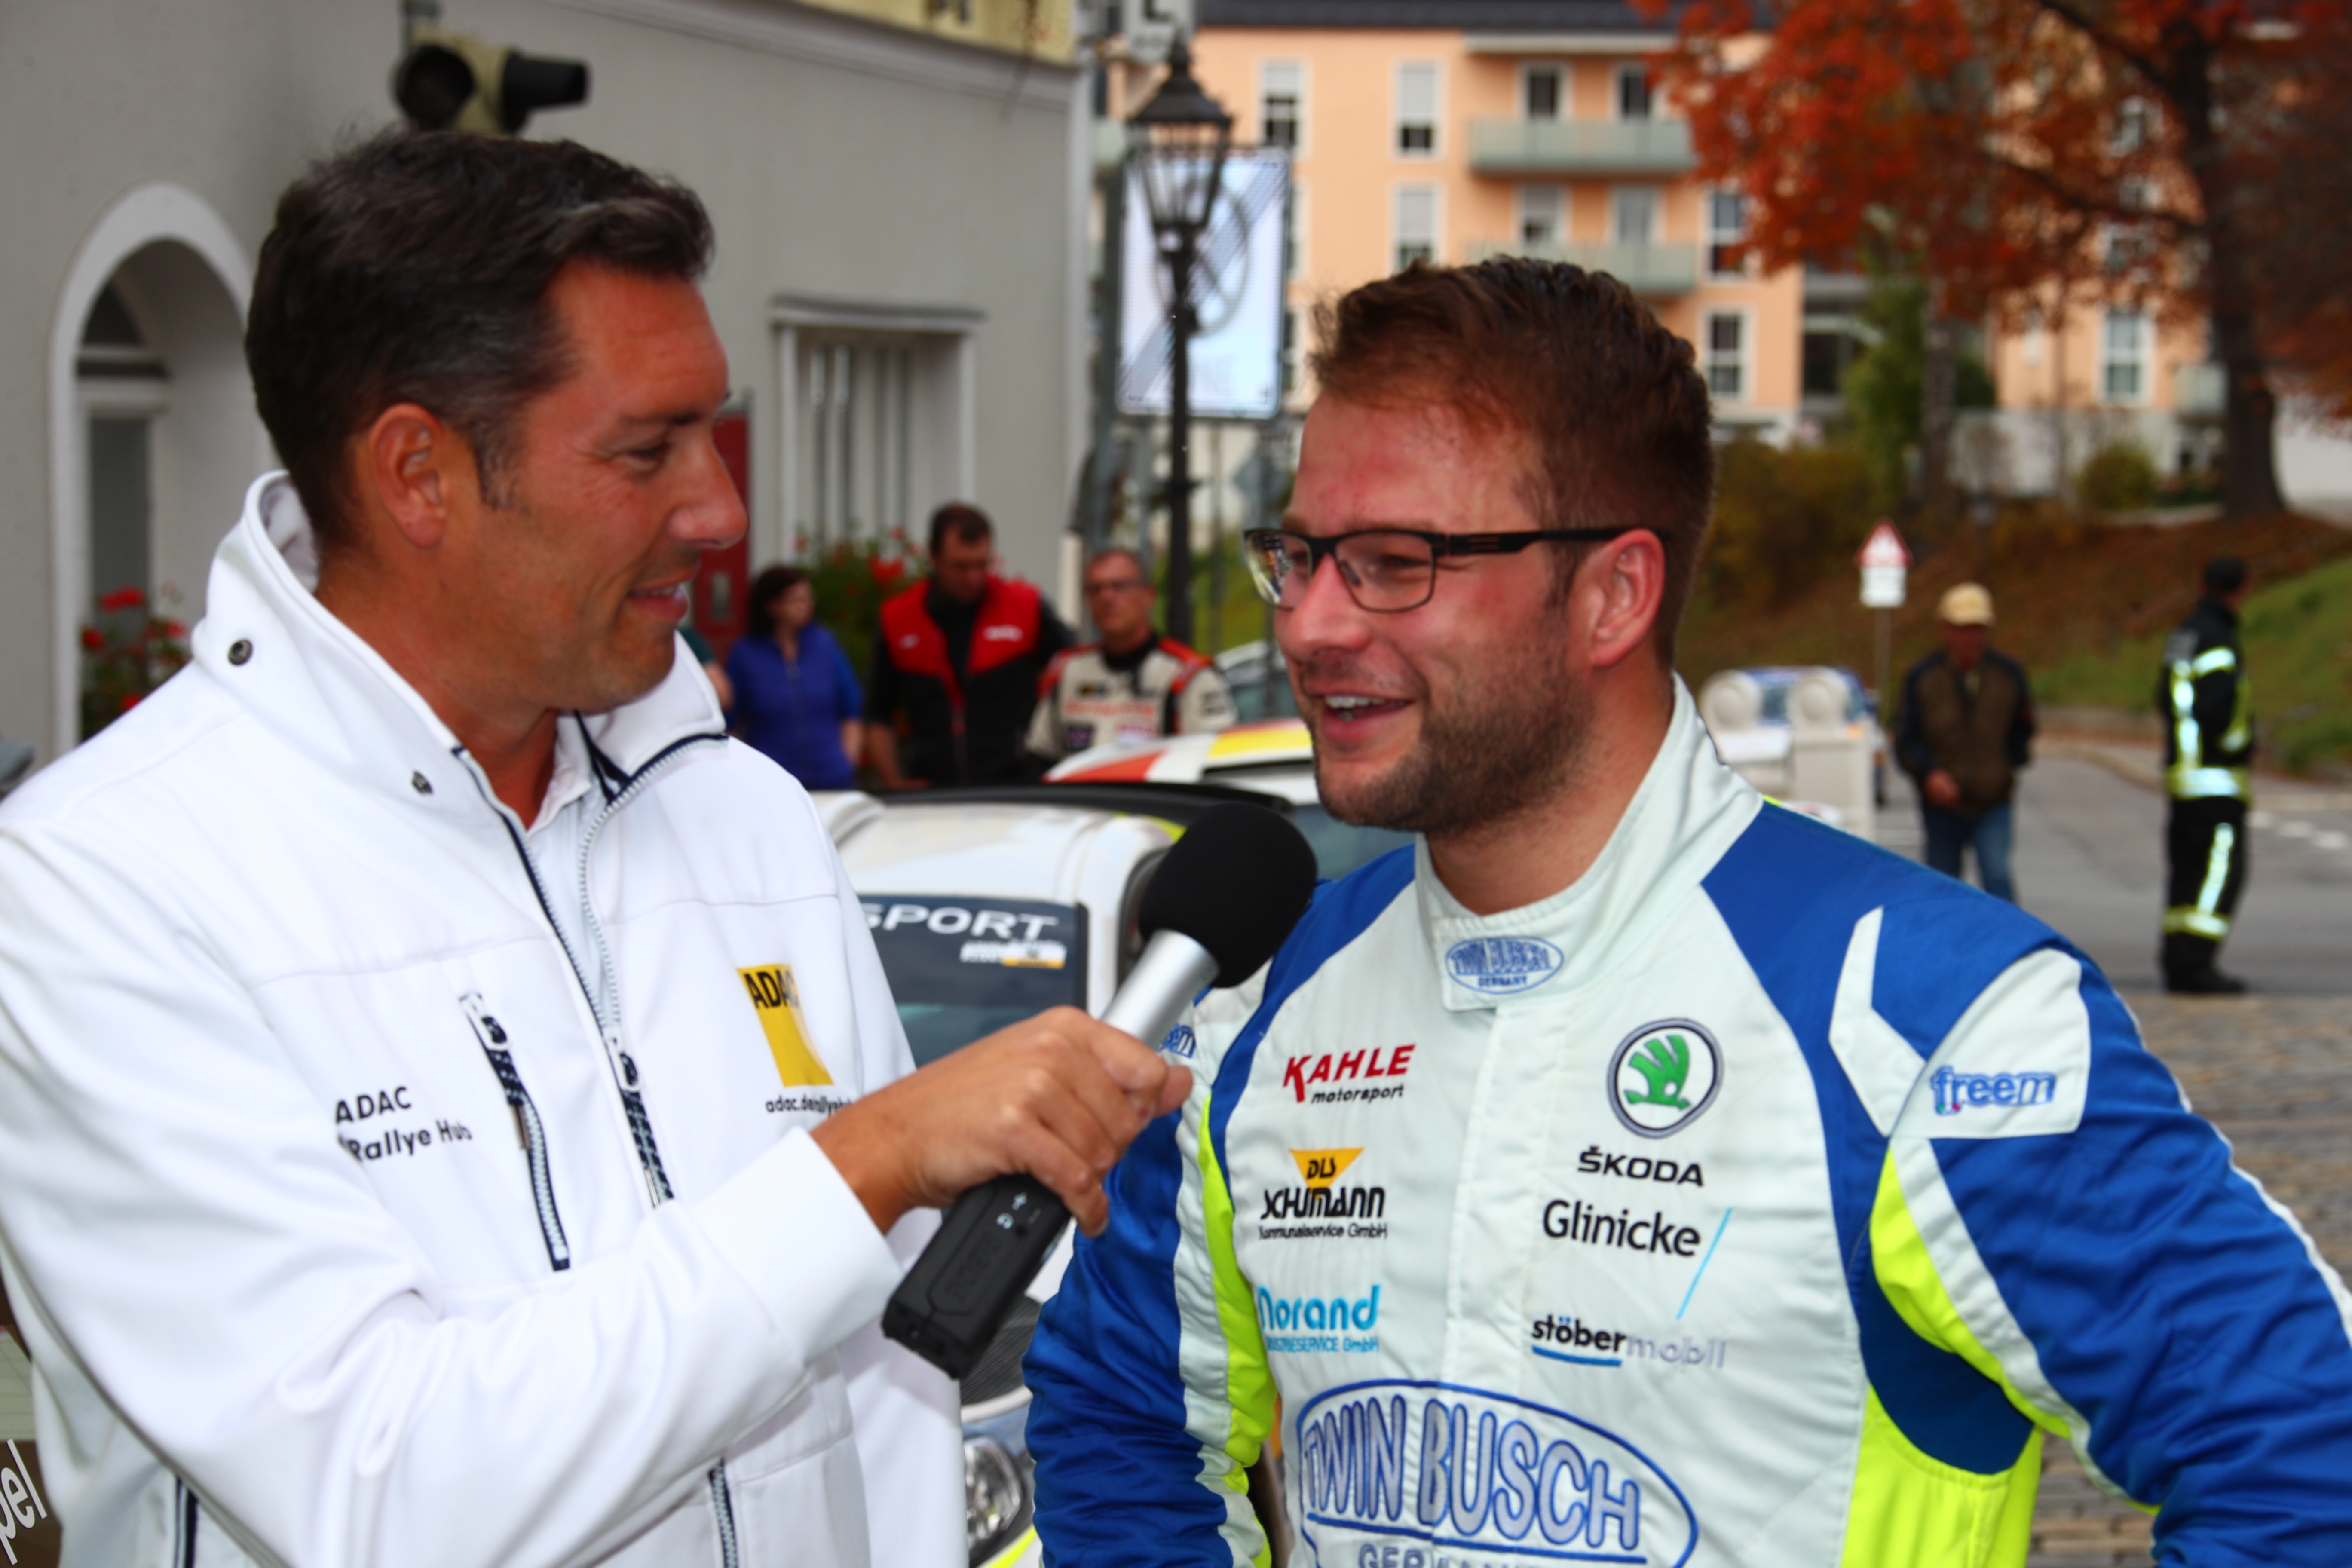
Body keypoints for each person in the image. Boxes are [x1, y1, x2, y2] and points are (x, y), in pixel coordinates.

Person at [1022, 259, 2352, 1567]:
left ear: (1615, 593)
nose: (1311, 624)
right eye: (1302, 555)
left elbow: (2304, 1455)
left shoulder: (1926, 1015)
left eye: (1393, 562)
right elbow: (1121, 1420)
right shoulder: (1260, 1003)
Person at [0, 131, 1184, 1568]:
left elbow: (890, 1385)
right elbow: (375, 1495)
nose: (721, 509)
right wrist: (859, 1164)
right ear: (418, 473)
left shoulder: (749, 817)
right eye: (645, 450)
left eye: (713, 432)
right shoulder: (101, 882)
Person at [864, 503, 1071, 788]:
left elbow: (1075, 673)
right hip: (933, 793)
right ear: (934, 557)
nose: (973, 578)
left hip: (1015, 787)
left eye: (982, 564)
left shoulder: (1025, 608)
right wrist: (895, 783)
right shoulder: (899, 619)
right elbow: (877, 713)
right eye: (961, 567)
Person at [1026, 547, 1237, 763]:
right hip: (1076, 785)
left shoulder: (1188, 676)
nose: (1107, 597)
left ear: (1149, 595)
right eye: (1096, 589)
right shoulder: (1067, 669)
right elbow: (1038, 758)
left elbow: (1215, 762)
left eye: (1119, 586)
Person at [1894, 582, 2036, 901]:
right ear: (1944, 629)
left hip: (1993, 800)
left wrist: (2005, 767)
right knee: (1942, 887)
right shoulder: (1923, 677)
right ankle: (1943, 936)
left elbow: (2024, 728)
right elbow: (1906, 737)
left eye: (1978, 629)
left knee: (1997, 877)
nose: (1972, 638)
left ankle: (2004, 935)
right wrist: (1929, 774)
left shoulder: (2008, 675)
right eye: (1963, 629)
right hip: (1942, 807)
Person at [2158, 556, 2256, 994]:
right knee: (2220, 874)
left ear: (2201, 585)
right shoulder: (2220, 639)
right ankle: (2197, 963)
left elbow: (2165, 698)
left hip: (2183, 778)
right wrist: (2241, 742)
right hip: (2216, 780)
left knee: (2186, 872)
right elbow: (2218, 710)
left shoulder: (2183, 635)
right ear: (2242, 589)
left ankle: (2177, 958)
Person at [727, 564, 863, 789]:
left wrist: (848, 761)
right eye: (795, 600)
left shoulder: (825, 644)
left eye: (808, 599)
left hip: (832, 776)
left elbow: (851, 708)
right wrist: (745, 772)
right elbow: (731, 719)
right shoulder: (746, 654)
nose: (805, 606)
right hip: (773, 781)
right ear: (772, 606)